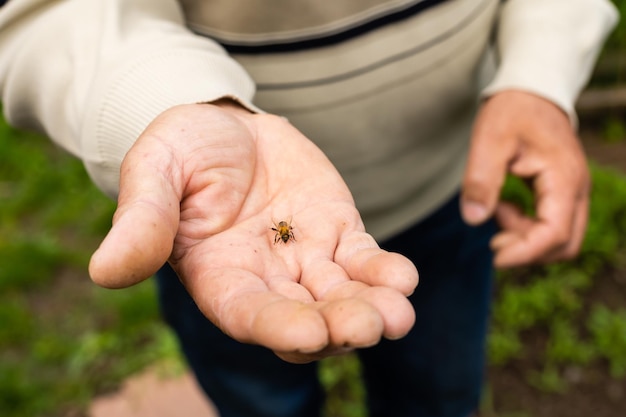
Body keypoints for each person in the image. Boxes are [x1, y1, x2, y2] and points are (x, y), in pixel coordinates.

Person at [0, 0, 618, 416]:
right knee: (257, 392)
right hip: (219, 226)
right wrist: (167, 100)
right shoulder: (266, 225)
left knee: (438, 387)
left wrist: (539, 75)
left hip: (448, 190)